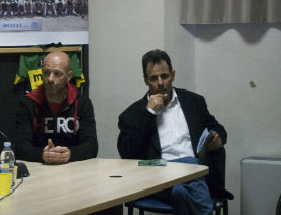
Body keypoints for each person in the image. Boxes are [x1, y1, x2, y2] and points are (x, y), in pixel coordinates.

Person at [117, 49, 228, 215]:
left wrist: (218, 138)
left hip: (194, 177)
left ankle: (187, 179)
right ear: (145, 80)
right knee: (190, 162)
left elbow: (217, 128)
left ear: (173, 75)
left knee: (180, 192)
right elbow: (127, 154)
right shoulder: (132, 114)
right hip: (157, 175)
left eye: (165, 76)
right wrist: (149, 114)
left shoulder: (194, 102)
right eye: (154, 78)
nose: (161, 83)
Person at [14, 51, 98, 164]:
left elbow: (91, 146)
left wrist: (70, 154)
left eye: (57, 74)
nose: (50, 79)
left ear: (69, 76)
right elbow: (20, 146)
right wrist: (42, 155)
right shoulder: (27, 103)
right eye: (46, 73)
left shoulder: (82, 103)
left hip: (74, 169)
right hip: (39, 168)